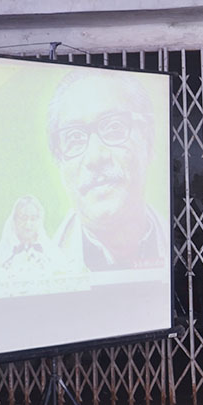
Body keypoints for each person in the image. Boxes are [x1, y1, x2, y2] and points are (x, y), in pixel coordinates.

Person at [46, 71, 169, 271]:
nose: (95, 157)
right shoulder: (30, 273)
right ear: (59, 160)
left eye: (113, 127)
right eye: (74, 138)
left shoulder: (188, 246)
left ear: (148, 140)